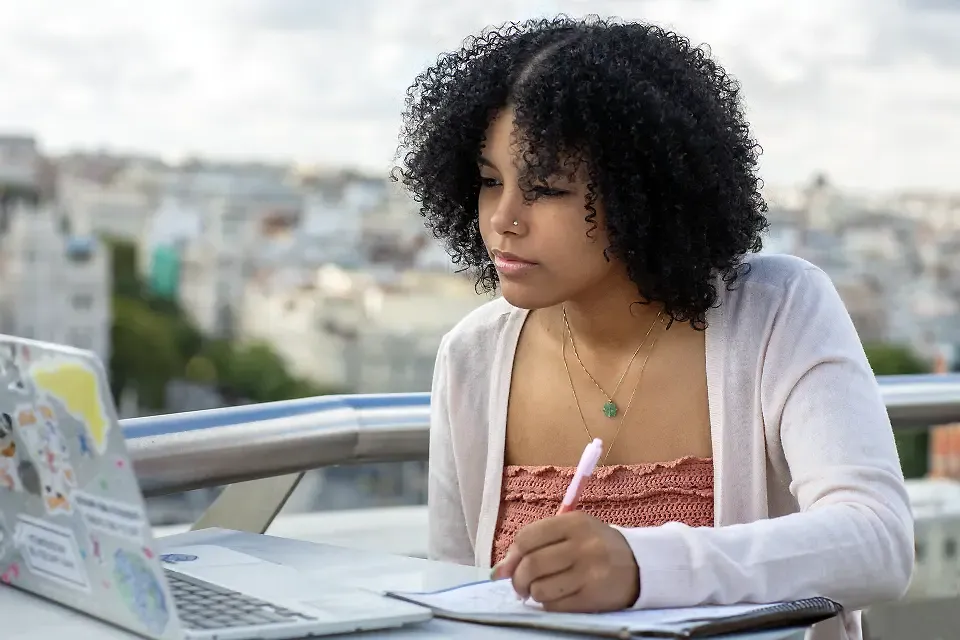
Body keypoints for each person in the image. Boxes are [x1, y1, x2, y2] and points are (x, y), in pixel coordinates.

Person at [392, 16, 913, 640]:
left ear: (645, 191)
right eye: (488, 181)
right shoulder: (472, 358)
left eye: (547, 188)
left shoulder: (777, 311)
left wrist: (643, 566)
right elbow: (459, 605)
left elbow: (877, 541)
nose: (503, 218)